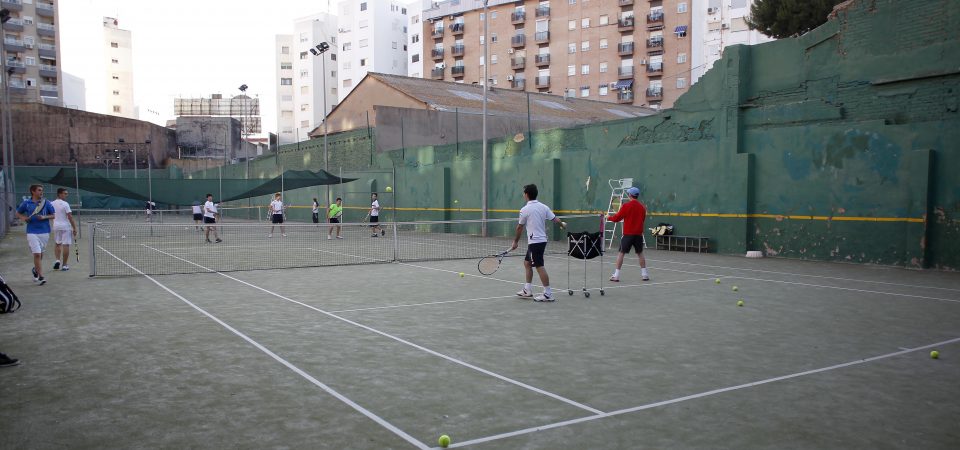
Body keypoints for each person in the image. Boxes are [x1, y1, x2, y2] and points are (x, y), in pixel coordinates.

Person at [510, 184, 565, 302]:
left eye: (524, 193)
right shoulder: (544, 207)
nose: (523, 195)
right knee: (527, 263)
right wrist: (562, 225)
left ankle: (548, 293)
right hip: (538, 241)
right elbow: (556, 220)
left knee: (539, 266)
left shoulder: (524, 210)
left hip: (536, 242)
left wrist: (515, 242)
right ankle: (527, 290)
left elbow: (519, 227)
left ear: (527, 194)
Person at [16, 184, 56, 285]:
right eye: (39, 190)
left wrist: (44, 217)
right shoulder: (26, 203)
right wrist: (24, 218)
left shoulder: (46, 202)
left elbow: (53, 215)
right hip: (32, 232)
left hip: (45, 232)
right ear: (33, 191)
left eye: (42, 190)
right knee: (37, 254)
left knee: (40, 254)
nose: (41, 192)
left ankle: (35, 269)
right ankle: (41, 276)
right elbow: (18, 213)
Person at [607, 186, 649, 282]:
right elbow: (642, 220)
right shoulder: (642, 208)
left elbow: (617, 218)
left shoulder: (626, 206)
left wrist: (609, 217)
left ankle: (616, 276)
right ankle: (645, 274)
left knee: (621, 253)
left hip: (628, 234)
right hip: (638, 234)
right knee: (640, 253)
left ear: (630, 195)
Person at [50, 188, 77, 272]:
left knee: (58, 243)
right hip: (65, 227)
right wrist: (74, 228)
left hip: (56, 226)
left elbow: (50, 215)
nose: (66, 195)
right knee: (66, 245)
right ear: (59, 194)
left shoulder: (51, 204)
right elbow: (70, 217)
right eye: (65, 193)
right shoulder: (65, 204)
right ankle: (64, 265)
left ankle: (57, 260)